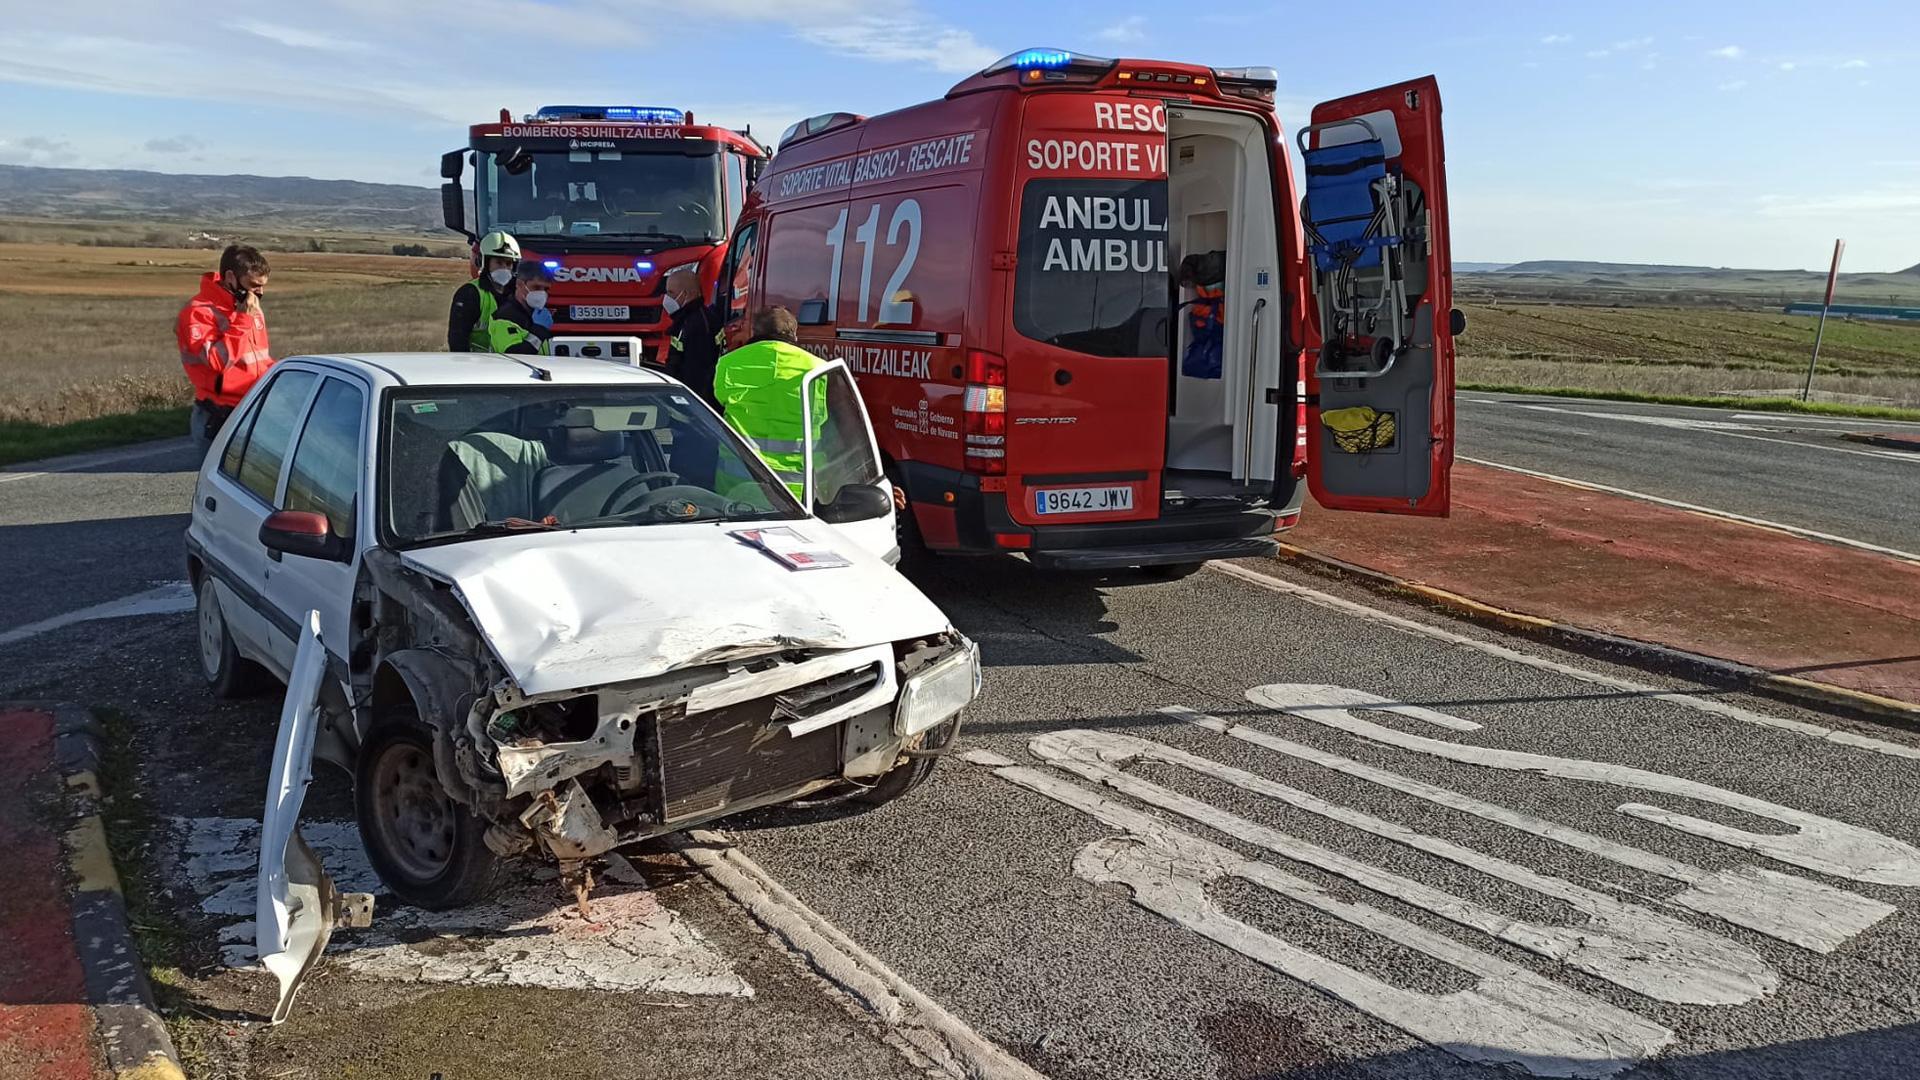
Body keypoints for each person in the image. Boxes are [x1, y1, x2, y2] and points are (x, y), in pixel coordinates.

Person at [712, 307, 826, 498]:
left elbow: (714, 407)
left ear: (755, 331)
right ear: (794, 334)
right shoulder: (817, 368)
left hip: (736, 484)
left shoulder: (729, 362)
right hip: (797, 491)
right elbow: (827, 422)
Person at [177, 244, 274, 448]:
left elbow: (260, 359)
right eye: (254, 285)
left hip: (252, 409)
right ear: (230, 277)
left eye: (263, 286)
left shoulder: (249, 307)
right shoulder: (197, 313)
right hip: (218, 416)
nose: (260, 293)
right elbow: (217, 362)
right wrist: (242, 320)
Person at [447, 231, 520, 352]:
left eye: (508, 263)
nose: (504, 268)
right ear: (485, 262)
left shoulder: (517, 294)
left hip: (509, 361)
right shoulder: (469, 294)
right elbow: (457, 340)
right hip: (477, 362)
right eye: (499, 262)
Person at [662, 269, 721, 406]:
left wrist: (692, 406)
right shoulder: (686, 320)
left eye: (671, 293)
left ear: (686, 294)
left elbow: (699, 374)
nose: (666, 298)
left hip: (695, 401)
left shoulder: (698, 325)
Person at [486, 260, 556, 355]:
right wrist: (539, 330)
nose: (542, 293)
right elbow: (513, 354)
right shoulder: (504, 317)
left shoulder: (536, 316)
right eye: (536, 287)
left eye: (546, 289)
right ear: (519, 284)